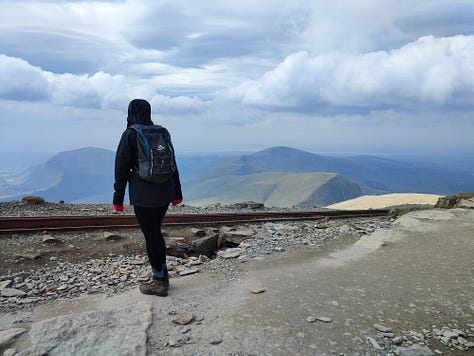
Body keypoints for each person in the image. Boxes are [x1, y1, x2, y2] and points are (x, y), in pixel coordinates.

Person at [113, 98, 183, 296]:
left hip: (143, 193)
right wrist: (177, 193)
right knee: (156, 232)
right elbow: (172, 163)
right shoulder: (161, 132)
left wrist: (118, 199)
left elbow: (121, 167)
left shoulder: (130, 134)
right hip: (164, 191)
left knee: (151, 235)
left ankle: (159, 281)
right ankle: (163, 275)